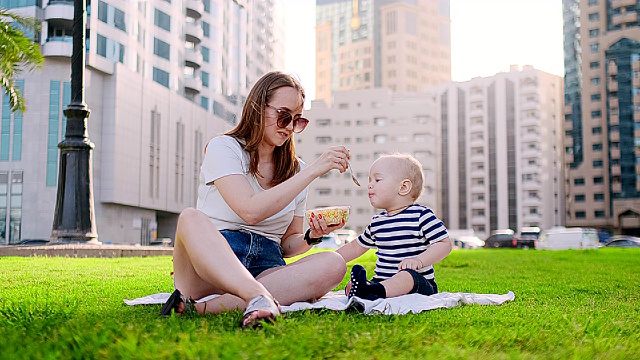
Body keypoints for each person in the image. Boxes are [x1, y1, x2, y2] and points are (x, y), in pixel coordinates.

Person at [162, 71, 350, 328]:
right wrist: (313, 171)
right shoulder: (224, 147)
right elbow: (249, 210)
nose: (289, 128)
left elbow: (287, 245)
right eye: (283, 117)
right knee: (190, 217)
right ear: (257, 108)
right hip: (212, 266)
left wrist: (311, 237)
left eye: (297, 121)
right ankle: (258, 295)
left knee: (334, 262)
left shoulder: (297, 171)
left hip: (266, 265)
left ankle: (205, 308)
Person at [329, 153, 452, 301]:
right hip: (382, 281)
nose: (370, 185)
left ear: (404, 187)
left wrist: (419, 260)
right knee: (349, 286)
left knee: (406, 276)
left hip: (419, 284)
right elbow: (356, 247)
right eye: (370, 180)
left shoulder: (421, 215)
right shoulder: (377, 222)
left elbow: (444, 244)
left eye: (377, 179)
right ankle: (369, 290)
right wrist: (332, 259)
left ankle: (372, 292)